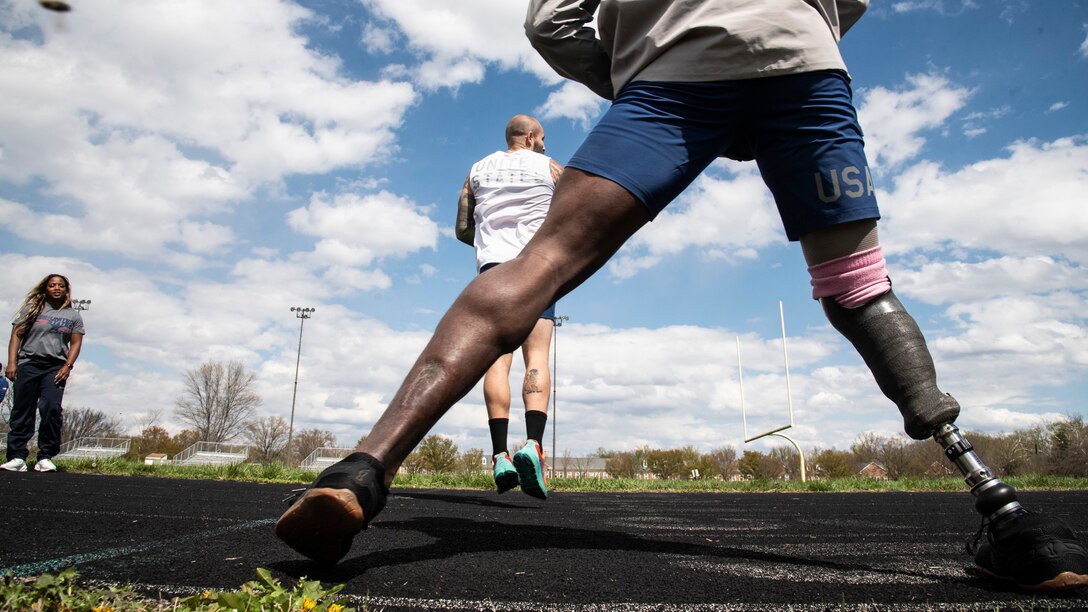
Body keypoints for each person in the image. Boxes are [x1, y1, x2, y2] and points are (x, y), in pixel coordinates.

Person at [275, 0, 1088, 593]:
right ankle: (1006, 512)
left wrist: (640, 66)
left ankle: (361, 472)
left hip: (670, 75)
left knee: (535, 270)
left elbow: (550, 21)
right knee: (858, 284)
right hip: (801, 62)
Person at [455, 114, 563, 499]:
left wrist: (490, 246)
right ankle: (533, 445)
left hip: (492, 272)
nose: (546, 145)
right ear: (531, 137)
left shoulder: (477, 170)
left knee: (497, 362)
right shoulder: (550, 168)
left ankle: (500, 454)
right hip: (535, 268)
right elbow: (573, 218)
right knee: (536, 358)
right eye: (544, 138)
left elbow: (463, 228)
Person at [1, 274, 85, 473]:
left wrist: (68, 366)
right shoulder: (32, 309)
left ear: (66, 290)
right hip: (29, 363)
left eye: (60, 286)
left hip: (55, 367)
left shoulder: (73, 315)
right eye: (52, 285)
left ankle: (45, 456)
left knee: (51, 407)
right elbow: (16, 336)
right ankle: (17, 456)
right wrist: (12, 362)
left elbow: (76, 343)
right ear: (45, 288)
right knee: (23, 409)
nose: (56, 288)